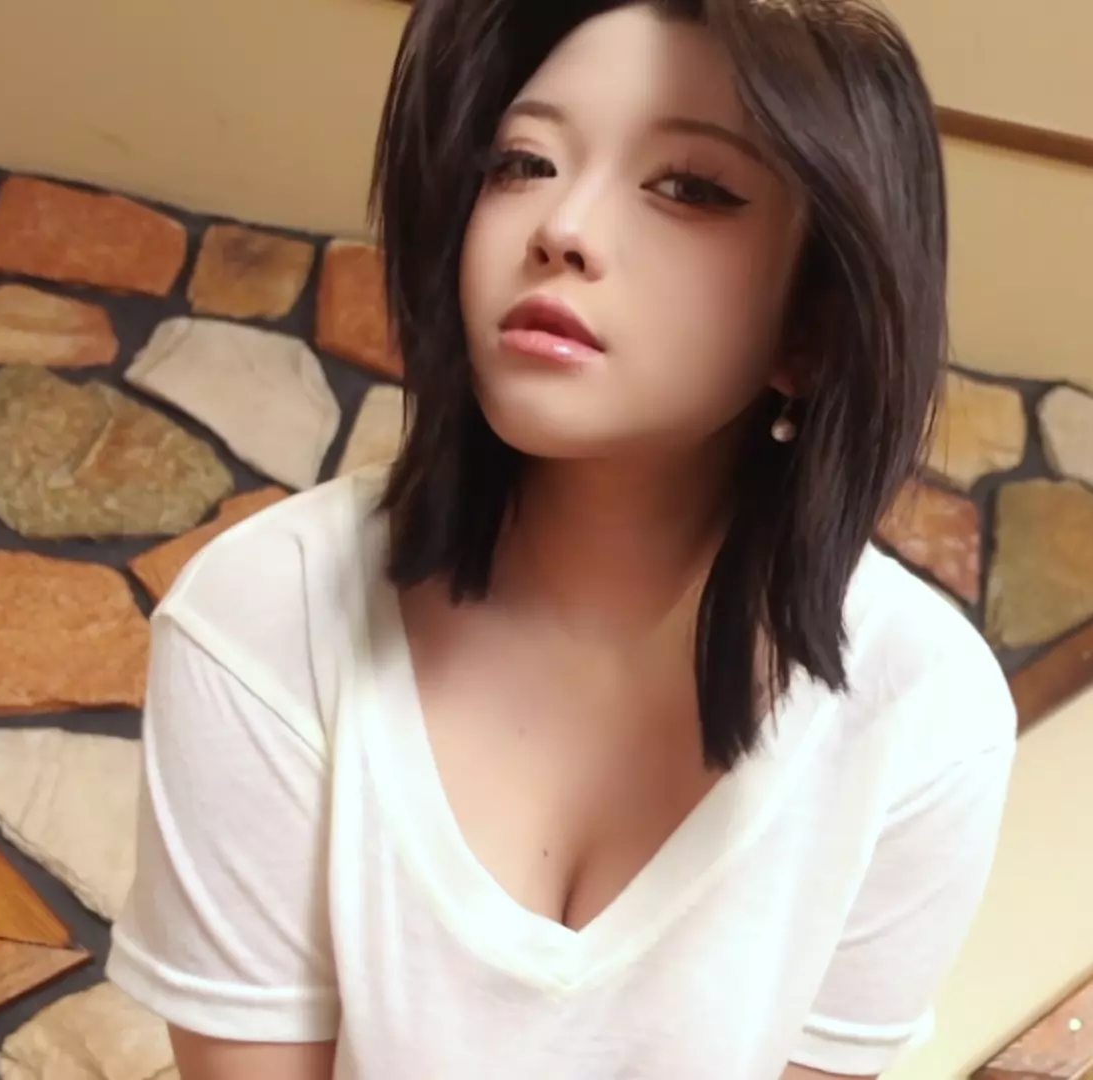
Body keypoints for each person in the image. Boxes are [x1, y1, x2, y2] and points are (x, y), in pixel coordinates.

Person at [105, 0, 1018, 1076]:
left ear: (812, 329)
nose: (563, 228)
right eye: (522, 163)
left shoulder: (924, 713)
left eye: (691, 187)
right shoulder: (263, 614)